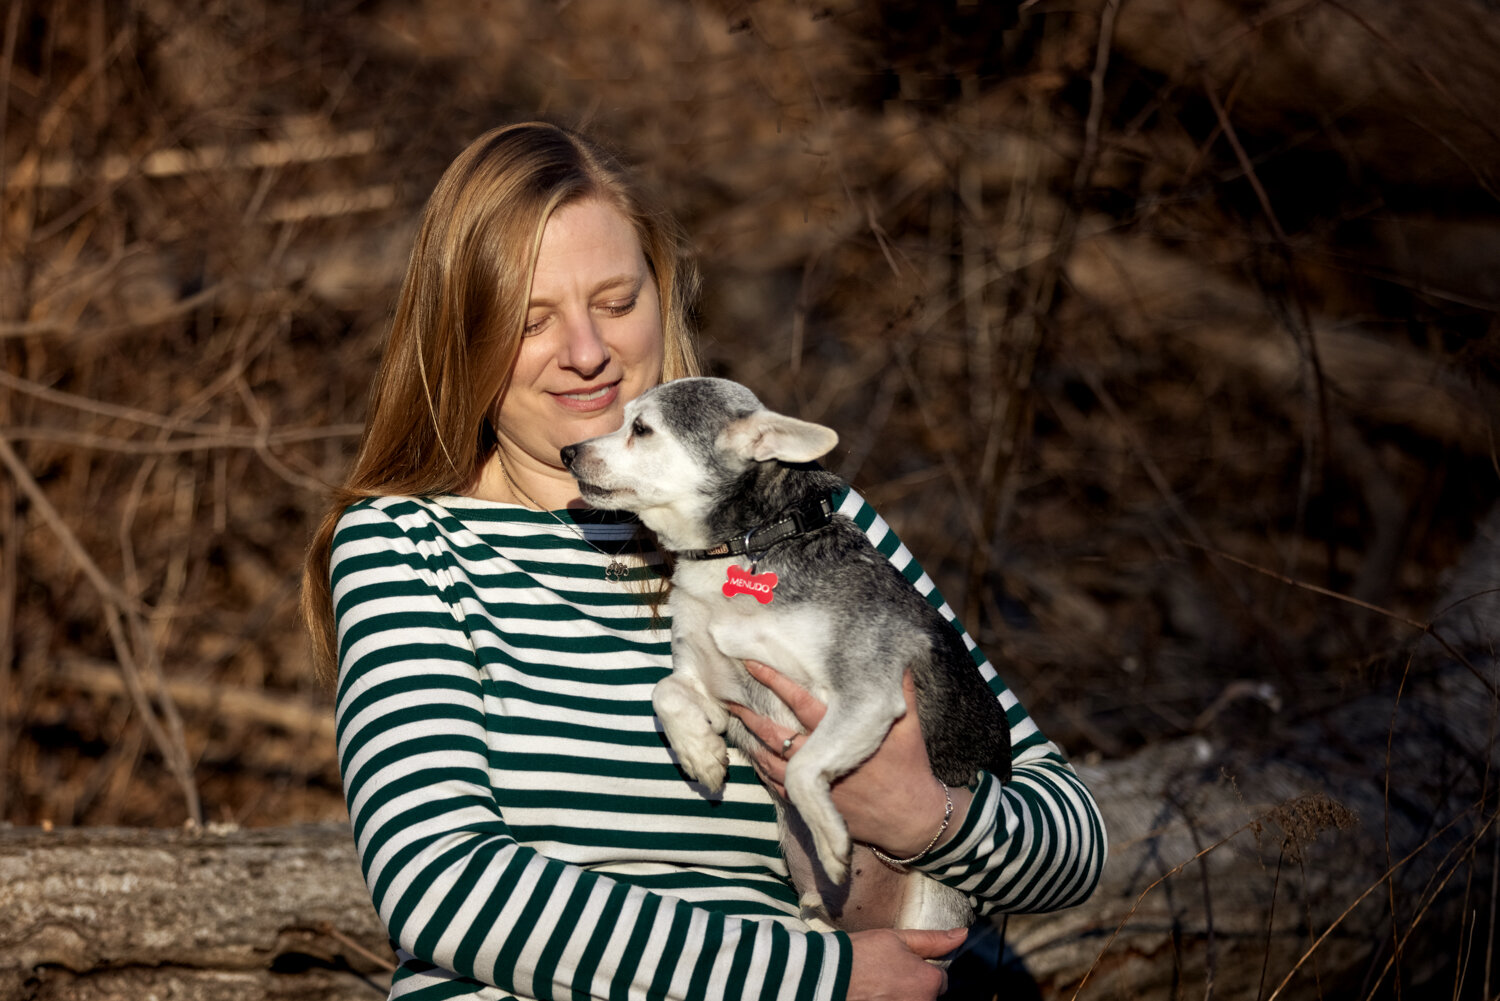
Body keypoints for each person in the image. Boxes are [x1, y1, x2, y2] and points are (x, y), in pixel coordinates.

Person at [302, 121, 1105, 1001]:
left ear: (663, 293)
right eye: (533, 321)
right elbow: (439, 887)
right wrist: (816, 976)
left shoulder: (815, 525)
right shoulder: (404, 544)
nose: (586, 353)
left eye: (615, 302)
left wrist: (924, 817)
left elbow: (1072, 840)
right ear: (466, 334)